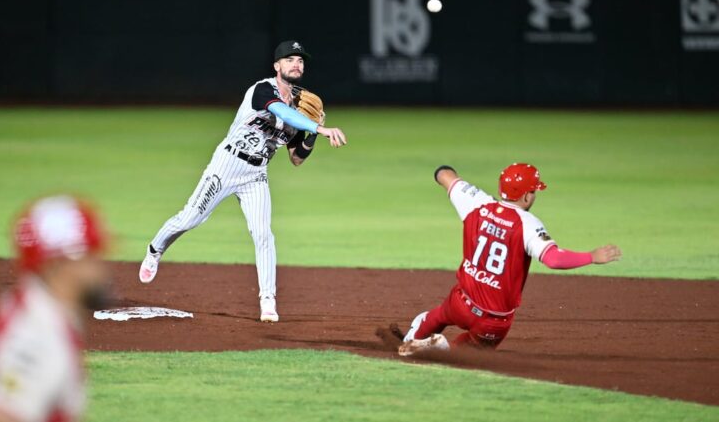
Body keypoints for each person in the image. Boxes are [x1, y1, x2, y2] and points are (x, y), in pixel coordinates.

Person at [139, 40, 347, 323]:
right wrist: (318, 127)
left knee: (263, 235)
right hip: (226, 165)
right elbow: (280, 112)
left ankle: (268, 301)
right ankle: (155, 250)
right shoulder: (262, 90)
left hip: (256, 175)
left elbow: (296, 158)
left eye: (300, 60)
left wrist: (311, 133)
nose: (296, 64)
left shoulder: (303, 107)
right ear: (277, 66)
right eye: (290, 59)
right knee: (190, 218)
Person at [399, 163, 621, 356]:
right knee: (467, 352)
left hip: (460, 303)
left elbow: (445, 175)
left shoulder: (477, 203)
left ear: (500, 189)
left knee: (433, 318)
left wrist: (441, 172)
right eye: (534, 190)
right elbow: (553, 259)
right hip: (493, 321)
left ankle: (409, 342)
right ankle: (442, 349)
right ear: (526, 196)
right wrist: (592, 256)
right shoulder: (528, 224)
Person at [0, 195, 111, 422]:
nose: (102, 266)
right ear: (59, 264)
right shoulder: (37, 335)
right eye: (90, 256)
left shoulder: (34, 307)